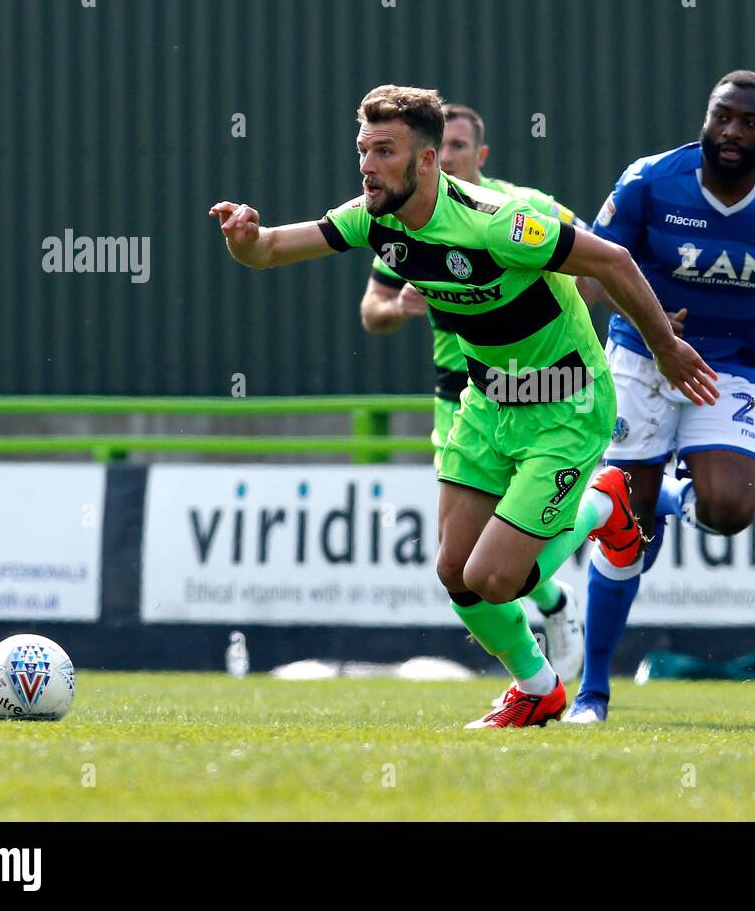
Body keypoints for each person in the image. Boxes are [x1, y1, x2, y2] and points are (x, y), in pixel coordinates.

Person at [210, 85, 717, 727]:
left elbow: (611, 259)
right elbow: (272, 250)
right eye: (363, 149)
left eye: (384, 151)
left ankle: (604, 504)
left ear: (425, 160)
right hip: (486, 404)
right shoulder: (373, 220)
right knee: (456, 574)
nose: (367, 164)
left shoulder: (495, 222)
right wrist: (243, 238)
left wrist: (666, 348)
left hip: (564, 404)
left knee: (497, 578)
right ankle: (538, 689)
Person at [566, 71, 755, 723]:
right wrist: (652, 324)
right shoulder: (650, 180)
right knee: (628, 529)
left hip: (728, 368)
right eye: (722, 117)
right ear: (705, 118)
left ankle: (680, 495)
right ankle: (593, 692)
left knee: (732, 509)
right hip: (640, 361)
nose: (732, 132)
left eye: (748, 123)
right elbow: (593, 273)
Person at [358, 103, 588, 682]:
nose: (452, 158)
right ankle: (546, 634)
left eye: (461, 148)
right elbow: (372, 311)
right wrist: (396, 306)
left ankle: (547, 632)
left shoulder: (518, 210)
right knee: (461, 559)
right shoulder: (401, 215)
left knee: (504, 551)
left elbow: (592, 260)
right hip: (460, 393)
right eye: (446, 146)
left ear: (474, 155)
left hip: (540, 388)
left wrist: (649, 329)